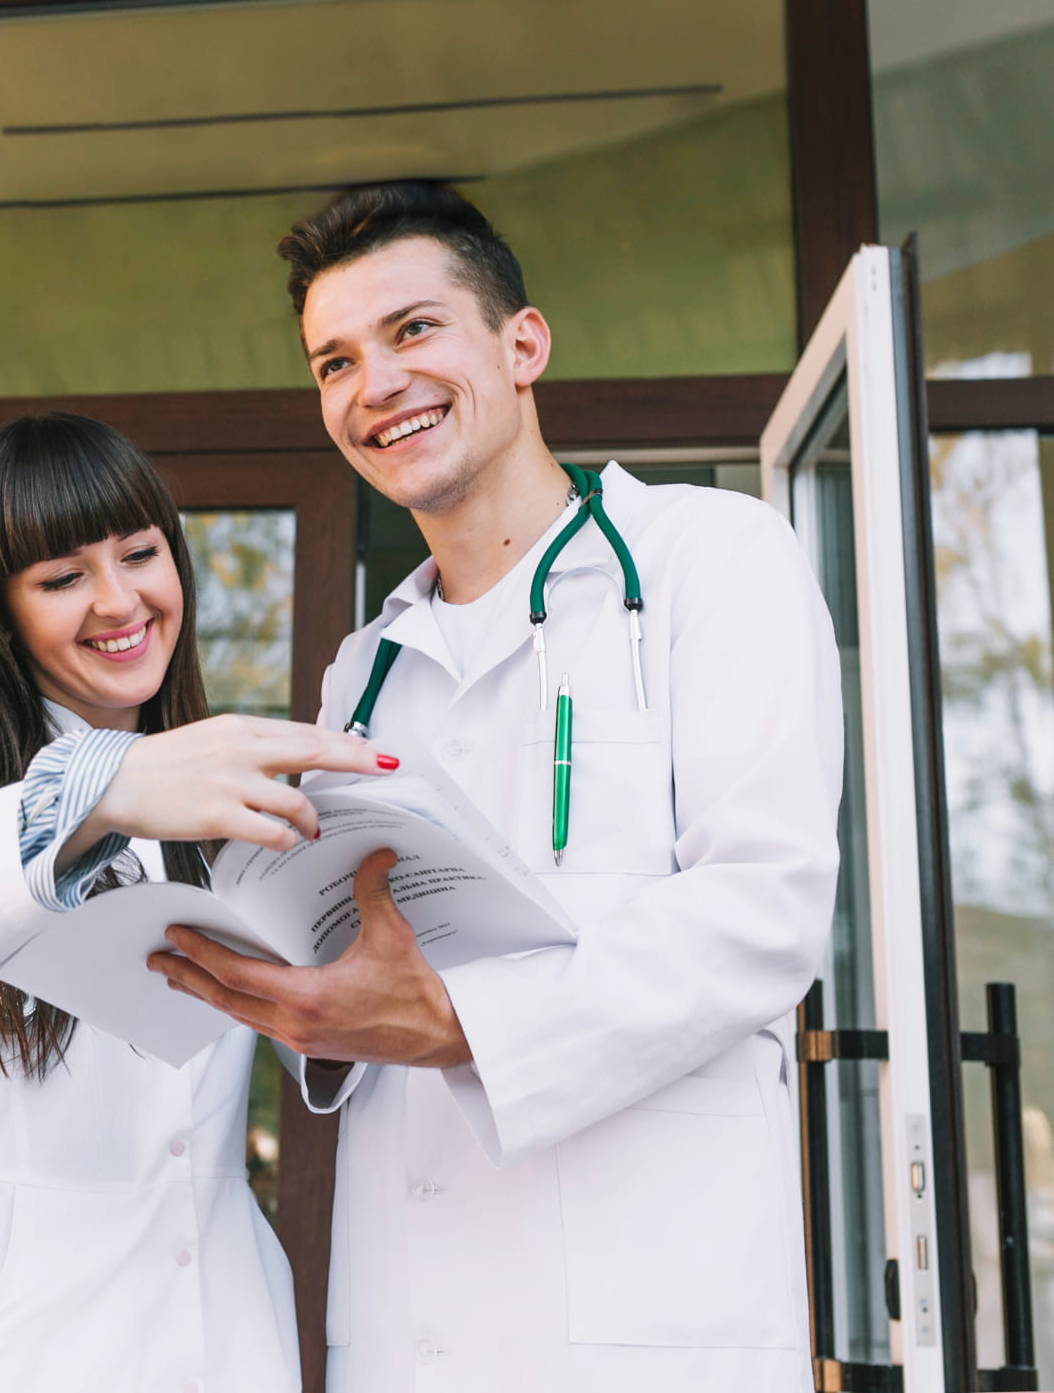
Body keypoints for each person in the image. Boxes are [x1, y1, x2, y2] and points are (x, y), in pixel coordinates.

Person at [149, 183, 845, 1393]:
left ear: (523, 345)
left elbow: (764, 913)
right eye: (335, 362)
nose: (375, 385)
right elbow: (350, 955)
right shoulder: (359, 676)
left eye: (413, 330)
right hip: (406, 1330)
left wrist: (459, 1026)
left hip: (657, 1328)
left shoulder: (711, 560)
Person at [0, 413, 393, 1393]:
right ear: (0, 610)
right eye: (63, 578)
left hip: (210, 1334)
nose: (121, 601)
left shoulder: (232, 796)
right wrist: (89, 791)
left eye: (141, 554)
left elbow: (324, 1042)